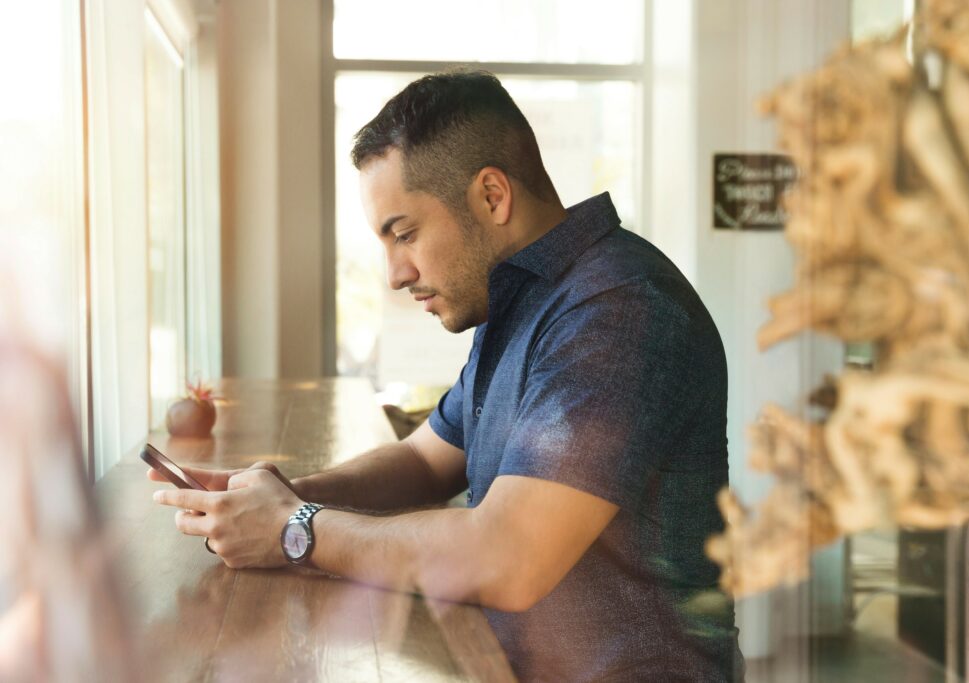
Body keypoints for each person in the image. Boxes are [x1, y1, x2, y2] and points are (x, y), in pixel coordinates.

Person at [151, 70, 743, 681]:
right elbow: (425, 461)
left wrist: (294, 531)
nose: (395, 275)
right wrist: (284, 496)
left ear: (492, 195)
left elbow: (507, 557)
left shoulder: (619, 311)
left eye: (404, 234)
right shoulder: (519, 299)